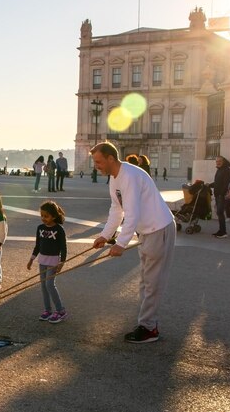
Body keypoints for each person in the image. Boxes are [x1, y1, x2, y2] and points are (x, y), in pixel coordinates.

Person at [90, 142, 175, 343]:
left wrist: (121, 243)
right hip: (146, 232)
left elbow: (132, 212)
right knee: (146, 281)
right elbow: (116, 209)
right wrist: (105, 235)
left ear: (111, 158)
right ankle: (147, 323)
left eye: (99, 161)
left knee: (153, 283)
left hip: (158, 229)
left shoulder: (129, 175)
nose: (96, 166)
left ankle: (149, 329)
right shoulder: (114, 177)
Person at [27, 201, 68, 324]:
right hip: (42, 260)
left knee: (50, 285)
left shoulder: (59, 229)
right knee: (44, 286)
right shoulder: (40, 228)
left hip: (53, 261)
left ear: (54, 216)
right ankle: (47, 310)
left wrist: (62, 262)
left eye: (46, 216)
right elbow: (38, 245)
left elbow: (63, 247)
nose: (43, 218)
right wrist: (31, 259)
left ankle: (61, 311)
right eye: (42, 216)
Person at [210, 156, 230, 238]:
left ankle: (223, 232)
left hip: (221, 195)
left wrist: (221, 194)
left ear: (223, 161)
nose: (218, 163)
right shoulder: (219, 170)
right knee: (219, 213)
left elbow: (226, 184)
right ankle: (221, 230)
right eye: (216, 161)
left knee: (220, 212)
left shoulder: (227, 170)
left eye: (219, 161)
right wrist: (209, 185)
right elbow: (217, 182)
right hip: (218, 195)